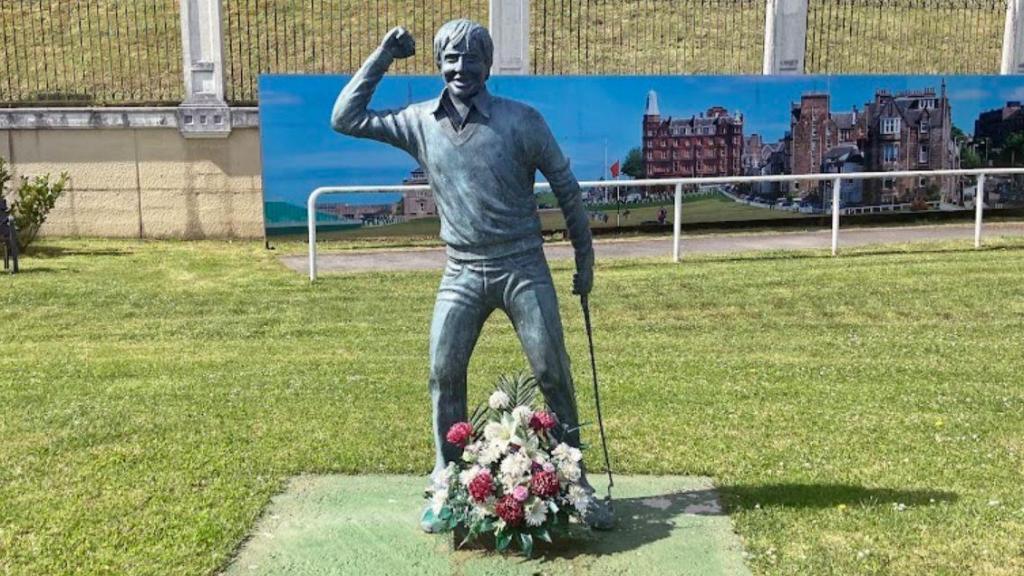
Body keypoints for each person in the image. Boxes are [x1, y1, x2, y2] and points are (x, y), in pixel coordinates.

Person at [331, 19, 613, 531]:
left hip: (522, 265)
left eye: (471, 57)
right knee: (443, 372)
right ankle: (448, 479)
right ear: (439, 62)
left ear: (488, 62)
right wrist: (384, 55)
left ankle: (577, 480)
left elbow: (568, 189)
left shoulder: (523, 120)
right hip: (461, 269)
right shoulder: (418, 120)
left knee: (553, 371)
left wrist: (585, 261)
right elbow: (344, 118)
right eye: (451, 58)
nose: (461, 68)